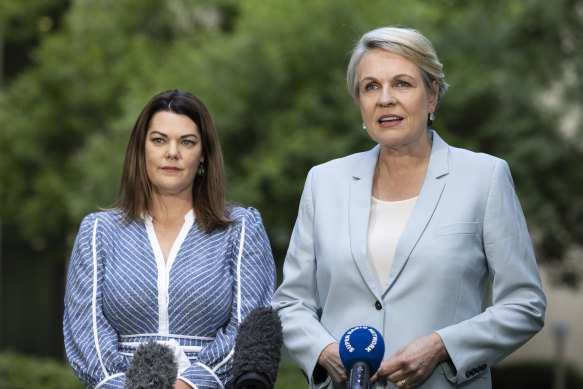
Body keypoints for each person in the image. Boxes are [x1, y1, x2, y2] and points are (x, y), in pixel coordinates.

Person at [271, 26, 546, 389]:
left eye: (401, 83)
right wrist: (323, 351)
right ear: (360, 103)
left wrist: (441, 346)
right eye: (371, 86)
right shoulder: (323, 182)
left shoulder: (485, 177)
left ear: (432, 96)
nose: (385, 99)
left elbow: (525, 304)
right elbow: (290, 303)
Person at [63, 89, 276, 389]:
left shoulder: (241, 229)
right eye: (159, 140)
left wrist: (188, 385)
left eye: (187, 142)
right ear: (142, 150)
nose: (172, 152)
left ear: (203, 156)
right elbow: (86, 333)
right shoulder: (98, 232)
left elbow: (251, 324)